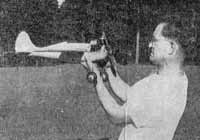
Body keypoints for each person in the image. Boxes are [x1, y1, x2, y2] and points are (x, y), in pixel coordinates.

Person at [82, 22, 188, 140]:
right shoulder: (175, 79)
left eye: (155, 40)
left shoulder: (162, 89)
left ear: (171, 47)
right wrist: (107, 65)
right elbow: (129, 94)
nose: (149, 45)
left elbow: (115, 114)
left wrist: (94, 71)